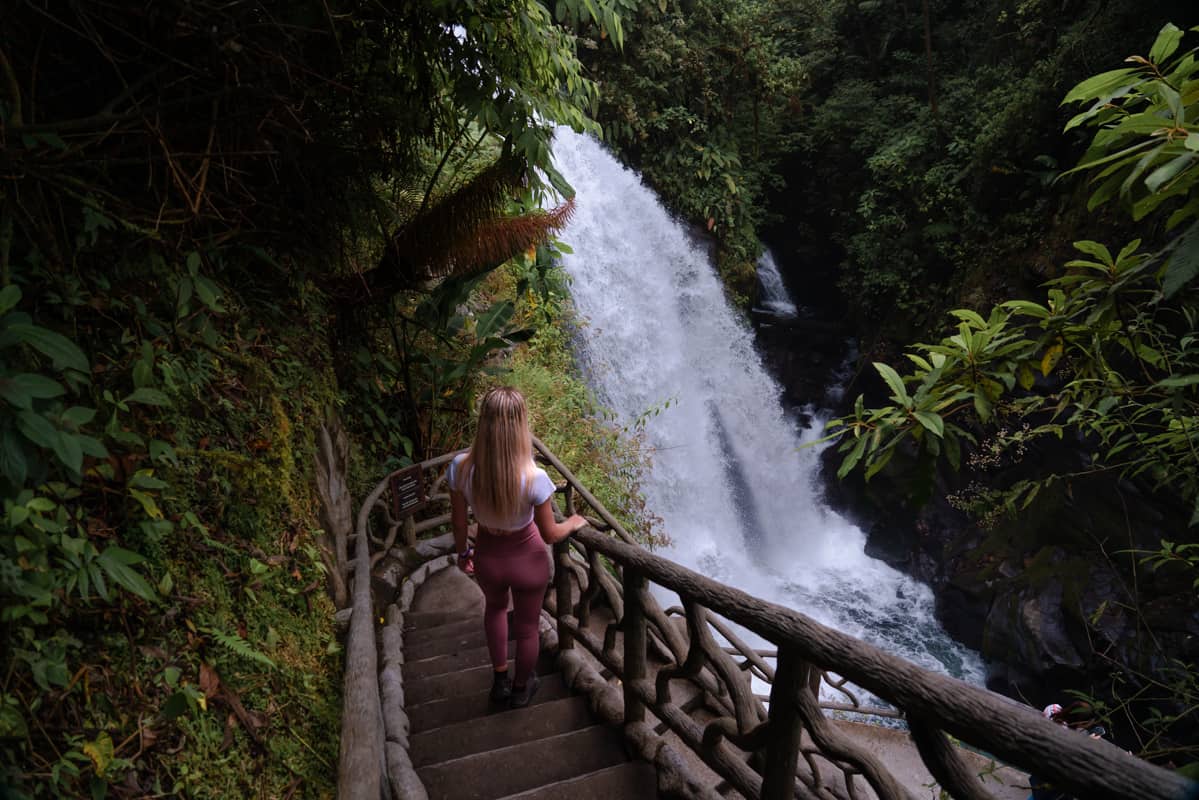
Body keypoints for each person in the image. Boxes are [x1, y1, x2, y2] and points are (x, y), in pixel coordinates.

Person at [448, 387, 587, 708]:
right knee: (526, 628)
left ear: (483, 422)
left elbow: (458, 521)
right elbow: (550, 534)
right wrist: (572, 523)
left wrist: (463, 553)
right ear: (521, 425)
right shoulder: (534, 477)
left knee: (495, 610)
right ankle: (522, 689)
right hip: (528, 560)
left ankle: (500, 682)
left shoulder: (460, 467)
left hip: (488, 557)